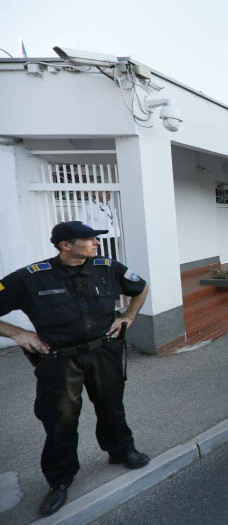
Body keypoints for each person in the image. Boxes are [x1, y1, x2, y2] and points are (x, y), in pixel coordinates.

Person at [0, 221, 150, 517]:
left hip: (102, 351)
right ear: (65, 245)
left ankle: (121, 450)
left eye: (96, 238)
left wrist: (128, 317)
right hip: (58, 360)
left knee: (111, 406)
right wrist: (18, 334)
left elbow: (140, 287)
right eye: (89, 239)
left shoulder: (107, 266)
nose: (96, 243)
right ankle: (59, 480)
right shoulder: (32, 278)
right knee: (59, 420)